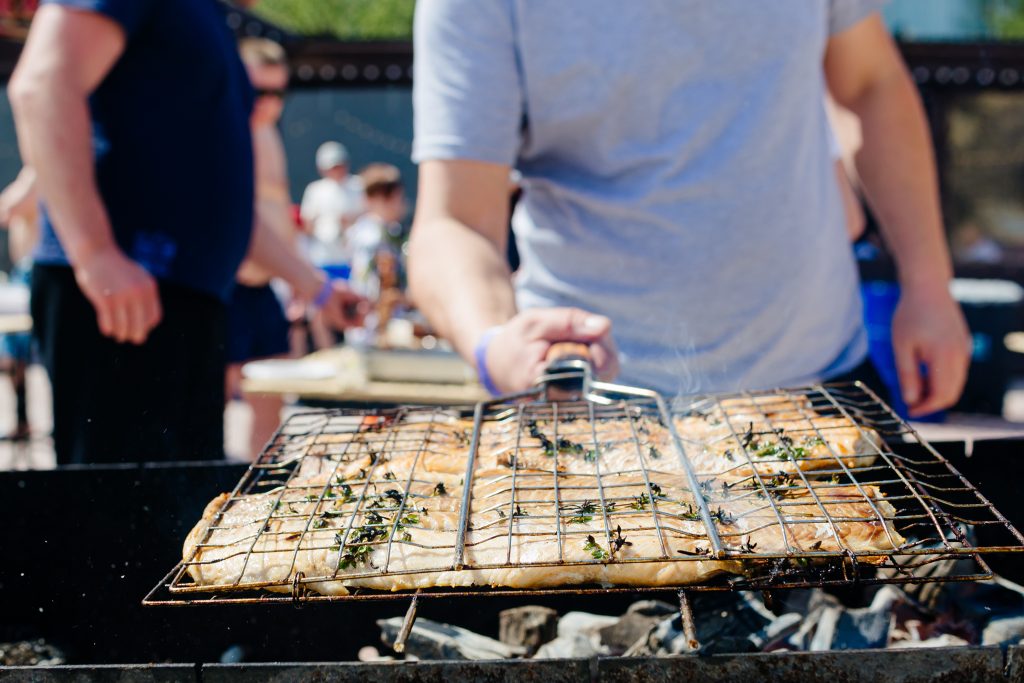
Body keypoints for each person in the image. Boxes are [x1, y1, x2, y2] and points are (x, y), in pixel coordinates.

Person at [408, 2, 971, 417]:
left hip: (824, 385)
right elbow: (453, 221)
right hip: (597, 407)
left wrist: (928, 283)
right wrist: (492, 344)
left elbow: (870, 81)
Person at [9, 0, 364, 464]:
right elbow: (43, 85)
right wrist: (94, 251)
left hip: (181, 305)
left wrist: (315, 288)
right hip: (125, 300)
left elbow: (220, 199)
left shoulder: (207, 17)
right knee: (116, 517)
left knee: (178, 511)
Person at [225, 37, 299, 462]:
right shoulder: (229, 133)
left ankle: (264, 489)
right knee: (208, 404)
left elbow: (277, 221)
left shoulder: (267, 133)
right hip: (227, 287)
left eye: (278, 93)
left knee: (272, 400)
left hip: (266, 286)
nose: (270, 102)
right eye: (260, 92)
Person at [0, 166, 38, 441]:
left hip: (37, 273)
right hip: (25, 273)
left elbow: (10, 207)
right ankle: (22, 417)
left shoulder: (40, 171)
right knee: (14, 345)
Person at [300, 141, 365, 269]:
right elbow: (306, 223)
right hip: (323, 257)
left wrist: (351, 220)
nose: (336, 170)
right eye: (332, 167)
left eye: (339, 165)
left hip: (354, 258)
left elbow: (371, 215)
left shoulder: (359, 185)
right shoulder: (315, 190)